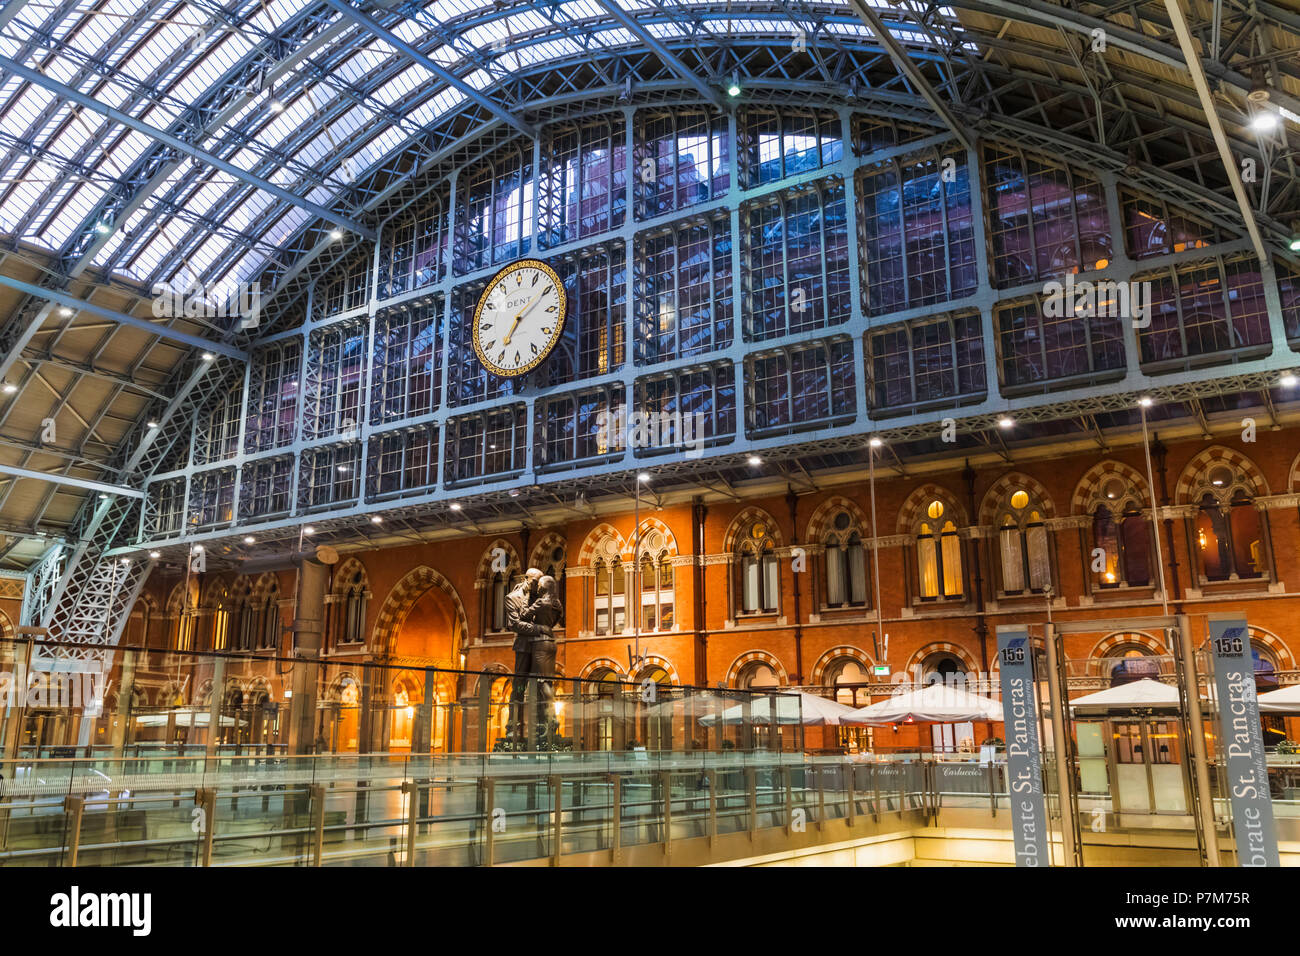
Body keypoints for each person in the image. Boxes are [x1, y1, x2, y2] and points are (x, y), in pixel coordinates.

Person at [519, 575, 563, 743]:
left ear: (544, 587)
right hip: (552, 643)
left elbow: (523, 615)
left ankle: (552, 718)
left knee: (542, 682)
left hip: (539, 643)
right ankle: (546, 722)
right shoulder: (557, 604)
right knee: (548, 682)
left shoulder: (540, 603)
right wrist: (547, 627)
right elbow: (558, 619)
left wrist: (525, 599)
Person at [503, 568, 543, 748]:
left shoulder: (541, 595)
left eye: (540, 581)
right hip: (524, 647)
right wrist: (538, 629)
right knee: (519, 686)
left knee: (542, 685)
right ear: (527, 579)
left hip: (541, 647)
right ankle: (513, 725)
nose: (538, 585)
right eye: (535, 581)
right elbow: (515, 624)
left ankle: (542, 726)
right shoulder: (512, 598)